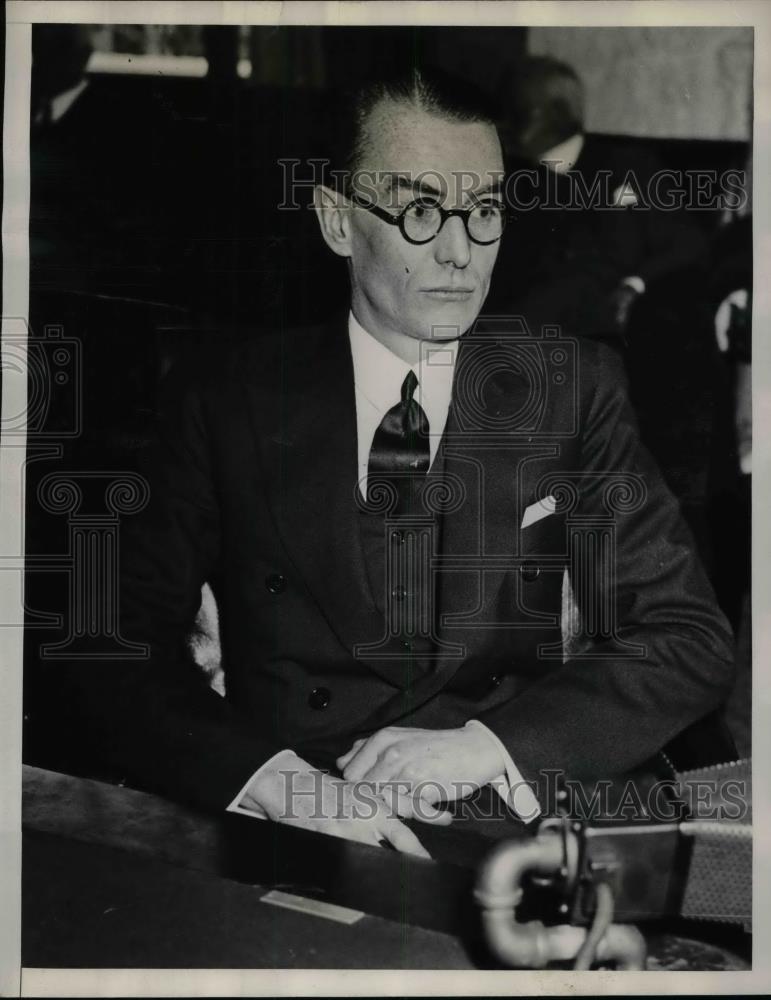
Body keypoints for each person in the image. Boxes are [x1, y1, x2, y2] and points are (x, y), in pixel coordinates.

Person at [67, 67, 734, 857]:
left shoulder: (567, 387)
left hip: (502, 816)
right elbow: (109, 641)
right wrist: (275, 781)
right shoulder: (227, 397)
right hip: (298, 818)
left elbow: (686, 635)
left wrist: (487, 746)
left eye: (482, 211)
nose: (459, 253)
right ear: (337, 220)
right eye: (421, 210)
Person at [487, 55, 704, 343]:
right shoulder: (506, 177)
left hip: (595, 324)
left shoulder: (629, 165)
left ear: (558, 113)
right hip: (520, 325)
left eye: (519, 112)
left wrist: (634, 286)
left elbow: (687, 242)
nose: (504, 124)